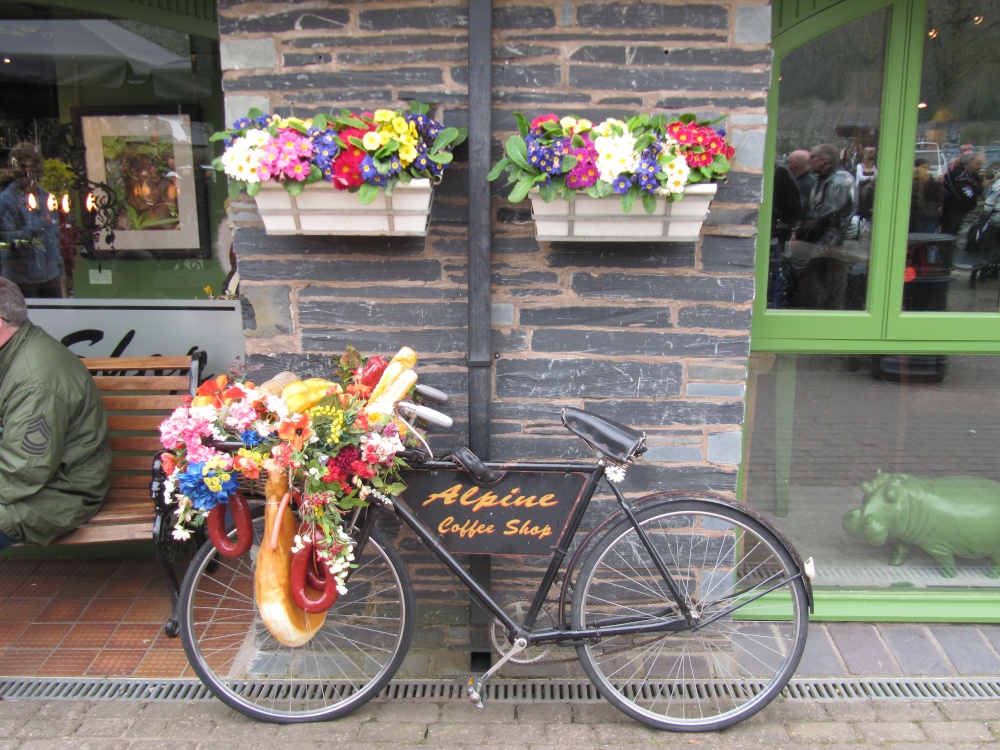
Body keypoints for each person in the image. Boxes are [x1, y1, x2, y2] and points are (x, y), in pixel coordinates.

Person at [0, 278, 111, 551]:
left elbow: (24, 470)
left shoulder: (36, 379)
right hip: (34, 485)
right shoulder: (15, 351)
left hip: (60, 493)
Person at [0, 143, 67, 298]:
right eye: (15, 166)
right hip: (20, 281)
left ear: (36, 168)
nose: (19, 171)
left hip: (51, 278)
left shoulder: (47, 198)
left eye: (25, 166)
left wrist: (60, 270)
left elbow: (54, 237)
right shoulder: (5, 201)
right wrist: (38, 227)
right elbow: (6, 241)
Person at [797, 143, 857, 247]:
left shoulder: (840, 180)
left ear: (823, 160)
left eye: (812, 157)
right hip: (820, 240)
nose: (809, 160)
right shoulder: (823, 178)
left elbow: (828, 215)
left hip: (829, 242)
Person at [941, 149, 985, 237]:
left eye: (981, 164)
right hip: (954, 212)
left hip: (959, 212)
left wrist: (979, 178)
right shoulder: (960, 174)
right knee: (950, 237)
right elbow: (967, 195)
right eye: (977, 164)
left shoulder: (970, 174)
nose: (980, 167)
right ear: (968, 162)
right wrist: (982, 185)